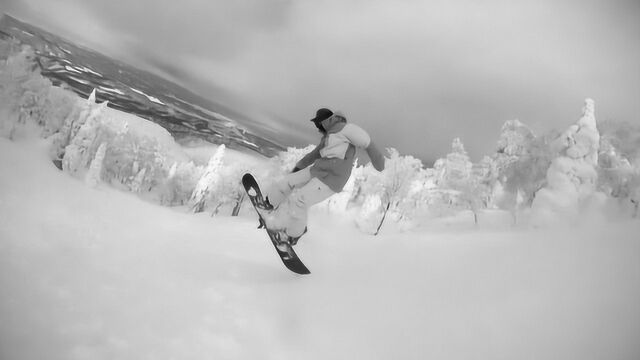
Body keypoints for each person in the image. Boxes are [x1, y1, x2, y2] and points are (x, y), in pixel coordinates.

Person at [260, 107, 385, 245]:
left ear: (323, 122)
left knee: (299, 201)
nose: (316, 127)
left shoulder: (345, 129)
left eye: (317, 124)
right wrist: (298, 168)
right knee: (287, 181)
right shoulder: (328, 137)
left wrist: (378, 160)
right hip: (318, 170)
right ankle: (269, 203)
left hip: (332, 179)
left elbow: (366, 140)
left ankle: (293, 235)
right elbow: (313, 155)